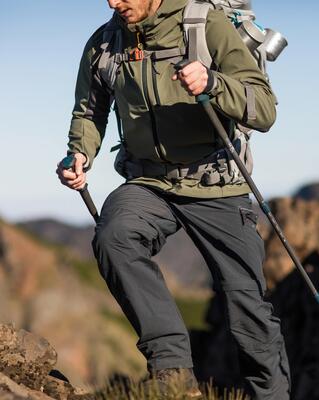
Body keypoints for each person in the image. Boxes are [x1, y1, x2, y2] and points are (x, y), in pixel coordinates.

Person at [56, 0, 291, 399]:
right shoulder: (105, 43)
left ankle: (270, 396)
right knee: (115, 235)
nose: (114, 2)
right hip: (148, 180)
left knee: (246, 303)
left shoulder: (205, 26)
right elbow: (90, 111)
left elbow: (264, 110)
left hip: (216, 182)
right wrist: (79, 153)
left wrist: (214, 84)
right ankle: (172, 369)